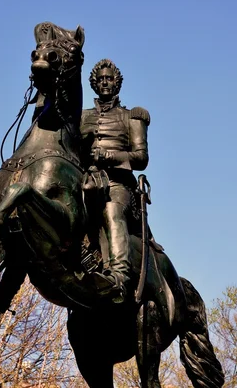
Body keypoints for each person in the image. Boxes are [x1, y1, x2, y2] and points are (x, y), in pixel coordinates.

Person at [80, 59, 150, 303]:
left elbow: (141, 158)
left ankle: (119, 276)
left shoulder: (132, 117)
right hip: (86, 182)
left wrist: (109, 156)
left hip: (117, 185)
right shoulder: (82, 117)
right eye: (100, 79)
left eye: (109, 78)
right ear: (93, 84)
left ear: (118, 82)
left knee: (111, 211)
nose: (104, 83)